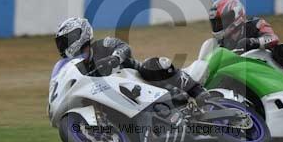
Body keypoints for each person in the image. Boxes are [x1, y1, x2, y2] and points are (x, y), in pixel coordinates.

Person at [54, 17, 211, 103]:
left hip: (138, 79)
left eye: (67, 40)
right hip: (116, 96)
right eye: (62, 43)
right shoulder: (78, 67)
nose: (64, 45)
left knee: (153, 64)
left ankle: (197, 91)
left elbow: (124, 47)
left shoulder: (102, 45)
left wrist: (114, 58)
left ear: (80, 34)